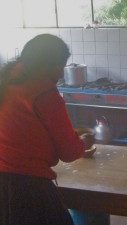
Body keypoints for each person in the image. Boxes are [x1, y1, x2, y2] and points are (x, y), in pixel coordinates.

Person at [0, 34, 95, 225]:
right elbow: (69, 152)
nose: (61, 73)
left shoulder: (8, 78)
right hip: (28, 188)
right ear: (44, 64)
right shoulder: (44, 92)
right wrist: (84, 141)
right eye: (59, 66)